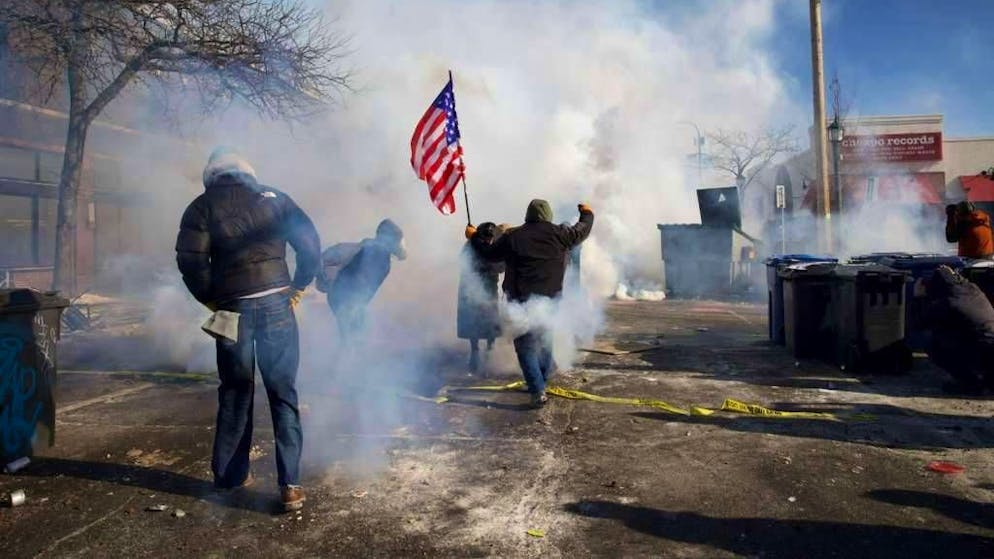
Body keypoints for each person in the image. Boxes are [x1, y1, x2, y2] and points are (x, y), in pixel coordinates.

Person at [175, 147, 320, 512]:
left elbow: (191, 263)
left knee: (235, 390)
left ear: (211, 174)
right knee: (283, 392)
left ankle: (229, 477)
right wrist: (298, 286)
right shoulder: (275, 198)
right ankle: (290, 486)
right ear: (246, 170)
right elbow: (309, 244)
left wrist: (212, 299)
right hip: (277, 304)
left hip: (231, 309)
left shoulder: (200, 207)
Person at [471, 199, 594, 407]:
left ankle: (537, 389)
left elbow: (489, 255)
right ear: (548, 215)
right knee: (545, 340)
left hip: (521, 300)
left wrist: (475, 237)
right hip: (551, 298)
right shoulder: (560, 234)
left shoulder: (513, 236)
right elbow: (582, 230)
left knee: (525, 346)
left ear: (528, 215)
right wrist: (587, 213)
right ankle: (541, 382)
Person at [321, 219, 406, 343]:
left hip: (347, 300)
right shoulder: (372, 252)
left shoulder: (375, 252)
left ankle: (347, 352)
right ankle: (347, 354)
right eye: (396, 239)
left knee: (353, 336)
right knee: (353, 338)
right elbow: (361, 281)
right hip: (346, 300)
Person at [925, 265, 994, 394]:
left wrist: (918, 297)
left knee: (933, 344)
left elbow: (918, 323)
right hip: (990, 348)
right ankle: (988, 380)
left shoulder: (948, 302)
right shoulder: (974, 290)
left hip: (982, 352)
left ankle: (969, 383)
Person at [457, 222, 504, 374]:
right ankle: (475, 353)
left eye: (491, 237)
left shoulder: (490, 246)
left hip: (489, 290)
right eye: (486, 237)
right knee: (473, 322)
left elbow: (501, 266)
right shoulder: (470, 247)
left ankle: (489, 353)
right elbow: (464, 263)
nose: (489, 239)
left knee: (491, 321)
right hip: (470, 290)